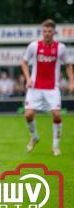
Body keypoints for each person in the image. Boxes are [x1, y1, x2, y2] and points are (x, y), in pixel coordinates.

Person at [21, 19, 74, 156]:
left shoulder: (60, 48)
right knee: (28, 114)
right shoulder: (34, 46)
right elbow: (24, 62)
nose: (47, 34)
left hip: (52, 88)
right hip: (35, 87)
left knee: (56, 114)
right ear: (42, 31)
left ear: (54, 32)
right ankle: (34, 137)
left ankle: (55, 146)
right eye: (44, 31)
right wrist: (28, 79)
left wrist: (72, 82)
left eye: (49, 31)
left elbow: (68, 65)